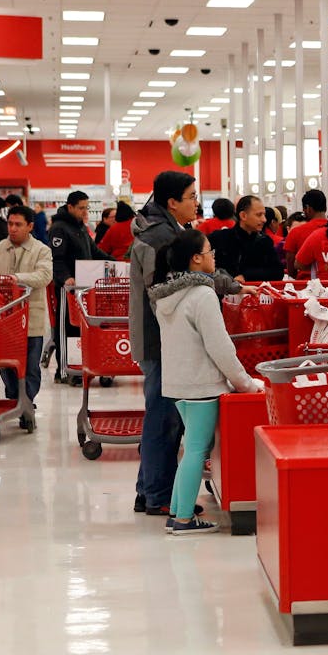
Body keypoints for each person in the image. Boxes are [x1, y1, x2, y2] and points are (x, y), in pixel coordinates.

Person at [130, 171, 237, 519]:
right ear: (172, 202)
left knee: (162, 417)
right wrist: (224, 286)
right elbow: (178, 282)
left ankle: (150, 491)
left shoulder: (164, 230)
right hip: (161, 340)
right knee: (164, 420)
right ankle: (159, 494)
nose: (196, 201)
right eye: (191, 196)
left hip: (161, 338)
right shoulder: (161, 237)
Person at [149, 230, 262, 534]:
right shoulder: (202, 295)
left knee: (190, 448)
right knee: (197, 449)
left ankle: (176, 510)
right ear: (196, 258)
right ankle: (184, 519)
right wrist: (246, 383)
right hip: (201, 383)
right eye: (210, 251)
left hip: (178, 383)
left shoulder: (168, 294)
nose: (215, 257)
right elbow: (220, 347)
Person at [0, 204, 52, 428]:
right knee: (6, 366)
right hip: (1, 320)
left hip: (31, 320)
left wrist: (15, 278)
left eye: (18, 224)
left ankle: (25, 403)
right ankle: (18, 401)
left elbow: (44, 275)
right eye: (10, 224)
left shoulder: (41, 250)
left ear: (30, 226)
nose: (13, 229)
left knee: (30, 367)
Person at [50, 190, 109, 342]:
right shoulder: (59, 228)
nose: (85, 212)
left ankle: (78, 363)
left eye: (86, 208)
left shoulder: (80, 227)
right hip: (68, 288)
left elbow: (94, 251)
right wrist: (66, 277)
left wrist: (116, 262)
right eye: (81, 208)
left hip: (83, 287)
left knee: (80, 327)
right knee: (66, 326)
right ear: (70, 207)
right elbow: (57, 259)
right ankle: (63, 365)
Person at [208, 194, 283, 282]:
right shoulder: (218, 239)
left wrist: (246, 276)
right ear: (243, 215)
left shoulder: (264, 241)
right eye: (259, 215)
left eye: (264, 215)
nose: (264, 220)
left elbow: (277, 272)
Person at [284, 189, 328, 277]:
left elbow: (291, 265)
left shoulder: (295, 232)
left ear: (307, 208)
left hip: (304, 285)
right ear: (325, 208)